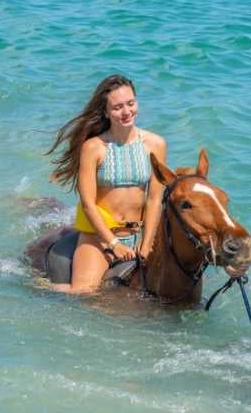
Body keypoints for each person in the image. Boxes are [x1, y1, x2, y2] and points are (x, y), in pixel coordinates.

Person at [45, 75, 167, 293]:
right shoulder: (94, 148)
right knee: (83, 293)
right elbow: (88, 204)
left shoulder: (156, 144)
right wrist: (113, 244)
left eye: (131, 103)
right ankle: (41, 287)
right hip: (99, 237)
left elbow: (154, 199)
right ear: (106, 112)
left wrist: (147, 244)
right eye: (118, 107)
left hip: (140, 235)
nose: (127, 112)